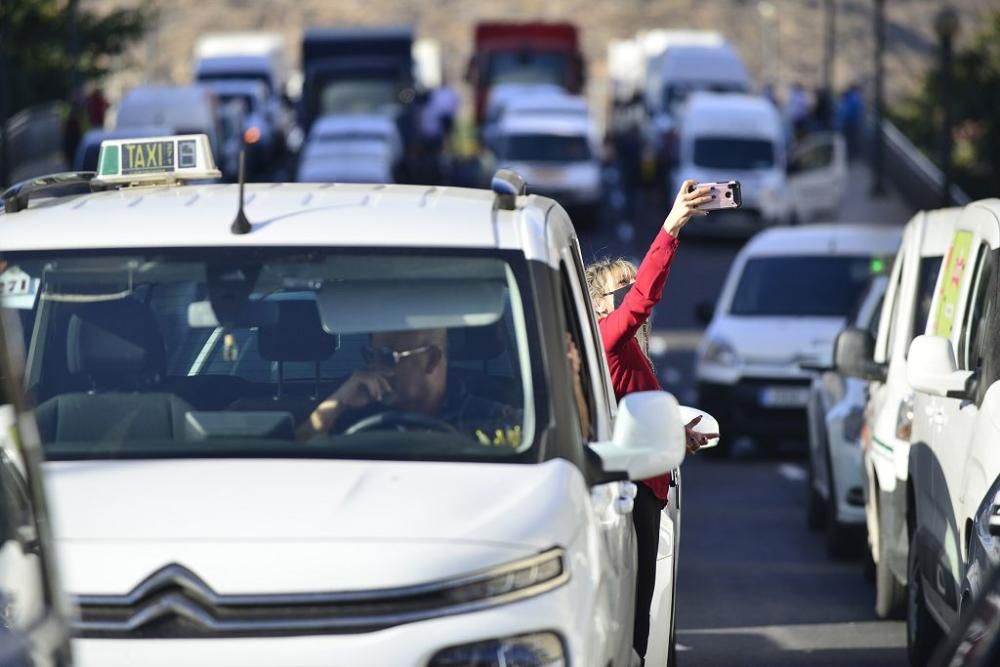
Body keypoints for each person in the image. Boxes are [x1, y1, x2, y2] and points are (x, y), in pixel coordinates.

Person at [586, 179, 717, 661]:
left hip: (644, 487)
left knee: (640, 620)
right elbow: (645, 297)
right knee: (634, 631)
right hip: (633, 491)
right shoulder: (606, 338)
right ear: (597, 304)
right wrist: (674, 223)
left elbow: (629, 413)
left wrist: (677, 435)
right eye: (619, 289)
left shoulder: (623, 351)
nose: (630, 296)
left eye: (628, 284)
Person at [299, 327, 589, 440]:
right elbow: (298, 450)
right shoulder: (351, 408)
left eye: (387, 357)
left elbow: (574, 443)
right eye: (370, 355)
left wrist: (571, 379)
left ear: (431, 360)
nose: (374, 368)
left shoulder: (489, 417)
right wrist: (337, 402)